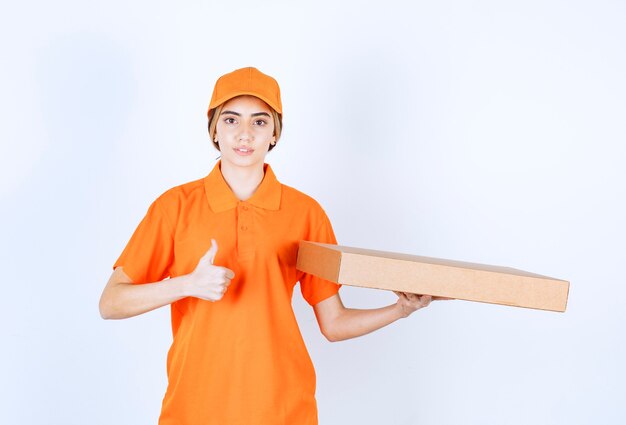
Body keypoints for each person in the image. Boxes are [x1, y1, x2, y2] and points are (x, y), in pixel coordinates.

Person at [99, 67, 437, 425]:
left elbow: (334, 323)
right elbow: (111, 303)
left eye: (259, 122)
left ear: (275, 132)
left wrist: (400, 310)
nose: (244, 134)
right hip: (194, 409)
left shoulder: (305, 212)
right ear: (214, 128)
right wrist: (185, 285)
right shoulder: (174, 207)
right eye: (231, 120)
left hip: (283, 409)